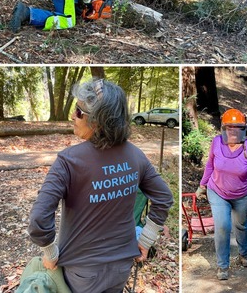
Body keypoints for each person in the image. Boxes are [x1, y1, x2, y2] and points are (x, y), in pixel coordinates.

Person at [28, 79, 174, 293]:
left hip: (82, 272)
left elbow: (39, 218)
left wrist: (50, 254)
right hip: (122, 266)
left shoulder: (69, 161)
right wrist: (146, 240)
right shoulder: (135, 155)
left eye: (78, 112)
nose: (72, 116)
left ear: (97, 121)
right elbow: (164, 197)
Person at [196, 108, 247, 281]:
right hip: (217, 192)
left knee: (241, 225)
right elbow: (210, 165)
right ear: (224, 129)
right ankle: (222, 266)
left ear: (244, 130)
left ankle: (243, 254)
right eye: (229, 128)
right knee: (223, 226)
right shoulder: (216, 143)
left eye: (237, 128)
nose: (233, 132)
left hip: (242, 195)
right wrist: (202, 185)